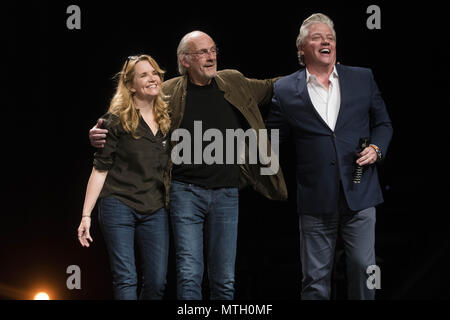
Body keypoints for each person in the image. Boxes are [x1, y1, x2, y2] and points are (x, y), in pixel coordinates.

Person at [89, 31, 287, 300]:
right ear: (185, 60)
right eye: (202, 52)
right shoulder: (168, 90)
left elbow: (271, 87)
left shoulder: (233, 81)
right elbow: (132, 109)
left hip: (227, 193)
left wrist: (310, 73)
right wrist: (100, 130)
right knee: (189, 274)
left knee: (224, 279)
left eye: (213, 49)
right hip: (185, 192)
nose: (211, 56)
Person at [266, 13, 393, 300]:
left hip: (359, 193)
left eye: (330, 38)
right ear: (301, 48)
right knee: (314, 280)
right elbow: (271, 138)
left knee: (364, 269)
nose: (326, 41)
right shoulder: (285, 89)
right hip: (315, 199)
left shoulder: (362, 77)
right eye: (317, 37)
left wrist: (376, 148)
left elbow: (383, 123)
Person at [77, 55, 171, 300]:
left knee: (157, 281)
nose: (152, 78)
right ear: (130, 86)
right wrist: (86, 215)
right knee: (125, 278)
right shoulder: (115, 120)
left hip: (154, 207)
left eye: (155, 73)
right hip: (118, 204)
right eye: (143, 75)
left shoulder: (167, 119)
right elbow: (100, 169)